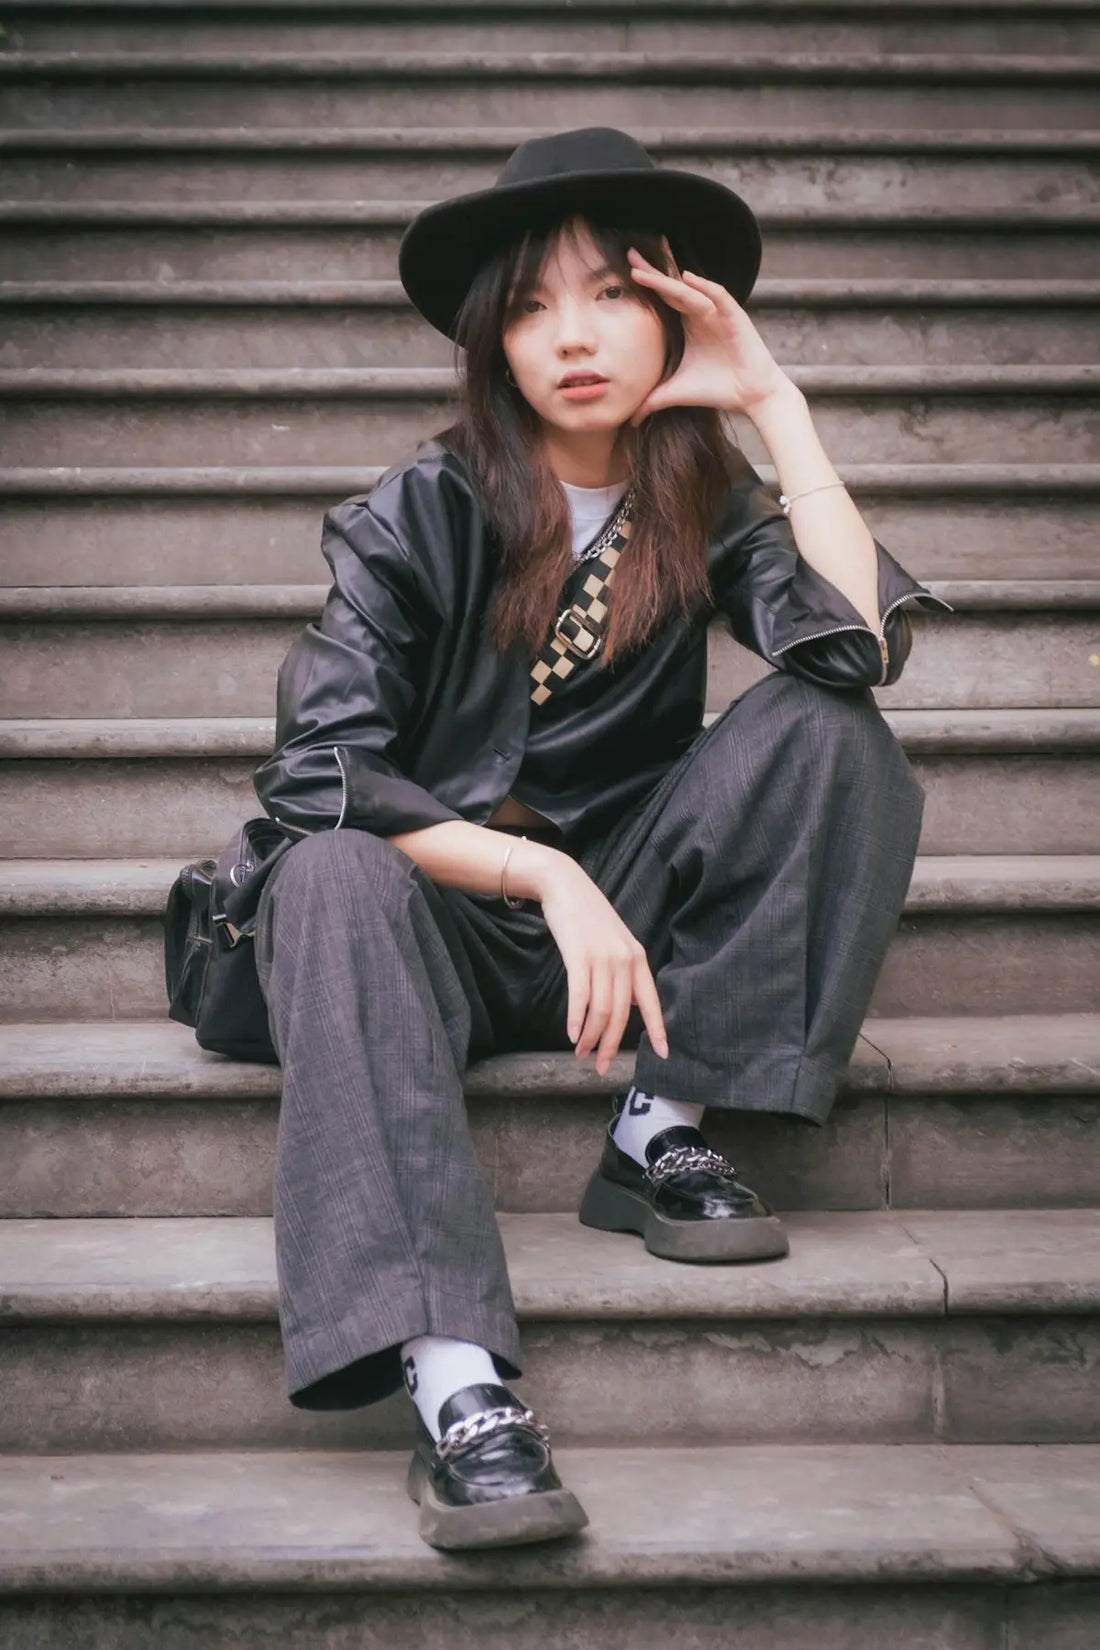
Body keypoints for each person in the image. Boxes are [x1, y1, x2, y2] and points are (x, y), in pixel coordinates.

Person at [251, 126, 949, 1552]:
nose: (571, 336)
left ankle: (658, 1125)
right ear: (491, 342)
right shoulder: (421, 509)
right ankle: (458, 1389)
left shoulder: (707, 502)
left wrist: (775, 402)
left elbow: (858, 646)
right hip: (429, 913)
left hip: (621, 920)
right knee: (322, 866)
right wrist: (539, 869)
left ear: (673, 308)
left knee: (835, 734)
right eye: (528, 304)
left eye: (609, 294)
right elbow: (319, 768)